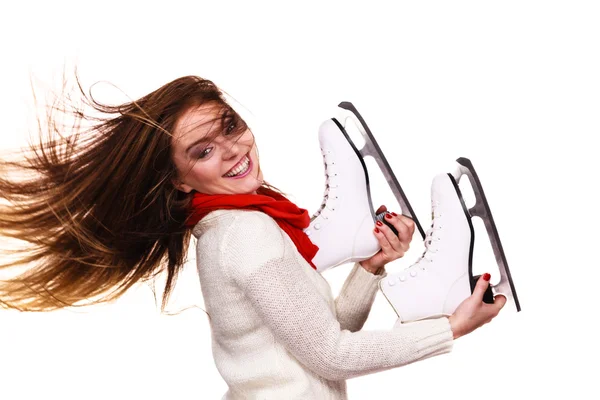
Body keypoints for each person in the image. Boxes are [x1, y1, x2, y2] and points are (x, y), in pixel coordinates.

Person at [0, 75, 506, 399]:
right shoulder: (245, 234)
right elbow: (330, 355)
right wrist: (451, 328)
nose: (232, 149)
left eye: (230, 126)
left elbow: (316, 337)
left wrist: (370, 268)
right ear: (179, 179)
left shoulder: (237, 224)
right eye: (202, 151)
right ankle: (435, 280)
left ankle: (365, 239)